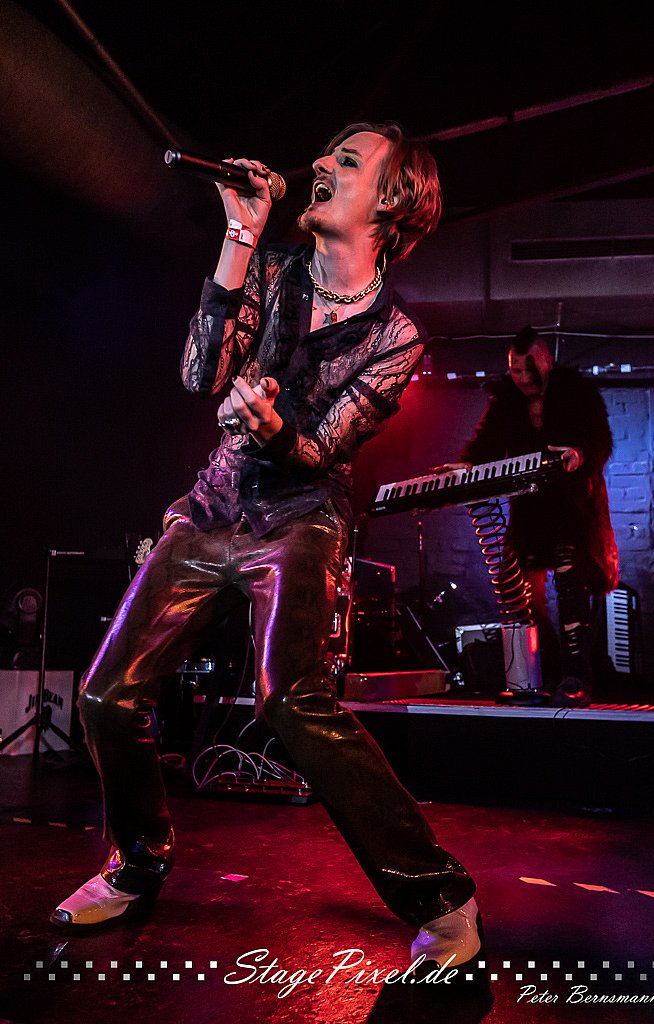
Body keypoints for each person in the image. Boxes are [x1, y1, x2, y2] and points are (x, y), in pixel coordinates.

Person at [51, 122, 482, 973]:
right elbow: (200, 376)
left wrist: (274, 427)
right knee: (105, 697)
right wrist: (238, 237)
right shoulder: (274, 271)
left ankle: (441, 899)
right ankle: (137, 864)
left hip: (300, 519)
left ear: (391, 202)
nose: (320, 163)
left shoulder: (396, 335)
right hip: (214, 506)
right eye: (327, 153)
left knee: (292, 701)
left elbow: (322, 450)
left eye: (346, 161)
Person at [451, 326, 619, 706]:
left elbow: (600, 441)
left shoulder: (578, 395)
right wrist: (465, 465)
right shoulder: (506, 401)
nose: (524, 379)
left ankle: (577, 677)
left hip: (572, 508)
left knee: (571, 588)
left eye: (531, 370)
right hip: (530, 512)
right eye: (516, 371)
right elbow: (487, 443)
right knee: (521, 593)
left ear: (547, 362)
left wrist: (579, 453)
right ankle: (541, 675)